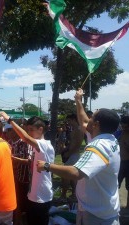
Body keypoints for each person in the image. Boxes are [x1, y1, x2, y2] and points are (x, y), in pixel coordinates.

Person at [37, 88, 121, 225]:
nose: (89, 119)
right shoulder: (109, 138)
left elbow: (77, 172)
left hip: (96, 215)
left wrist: (47, 165)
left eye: (92, 117)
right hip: (102, 209)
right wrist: (78, 101)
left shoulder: (99, 145)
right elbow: (83, 121)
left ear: (96, 125)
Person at [0, 112, 55, 225]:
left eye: (31, 129)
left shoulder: (44, 144)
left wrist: (9, 120)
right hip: (34, 193)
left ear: (40, 129)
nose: (29, 133)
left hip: (41, 196)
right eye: (27, 130)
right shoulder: (38, 145)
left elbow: (24, 137)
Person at [5, 123, 29, 225]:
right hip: (12, 177)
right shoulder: (8, 143)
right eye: (6, 131)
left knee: (23, 201)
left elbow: (28, 160)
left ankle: (22, 220)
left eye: (8, 131)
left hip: (23, 177)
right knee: (15, 200)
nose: (6, 133)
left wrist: (12, 159)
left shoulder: (23, 143)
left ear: (14, 130)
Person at [59, 113, 84, 202]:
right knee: (72, 177)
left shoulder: (78, 130)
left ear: (74, 120)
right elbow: (72, 143)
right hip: (72, 154)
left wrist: (69, 153)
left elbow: (77, 144)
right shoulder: (75, 130)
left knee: (65, 175)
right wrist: (66, 149)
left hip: (73, 155)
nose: (68, 123)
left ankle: (63, 196)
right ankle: (74, 195)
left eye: (69, 120)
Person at [118, 116, 129, 209]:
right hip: (120, 163)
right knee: (115, 184)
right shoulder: (119, 134)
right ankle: (115, 204)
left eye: (126, 127)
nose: (124, 128)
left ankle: (127, 207)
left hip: (128, 163)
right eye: (123, 126)